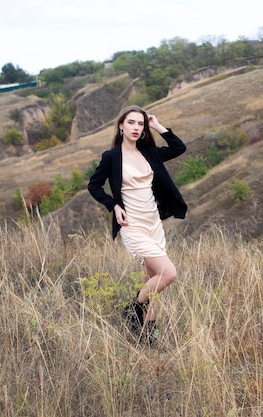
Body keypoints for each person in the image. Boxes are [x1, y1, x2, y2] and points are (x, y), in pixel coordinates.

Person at [87, 105, 187, 340]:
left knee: (150, 280)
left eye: (140, 124)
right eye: (131, 122)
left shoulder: (149, 152)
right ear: (121, 125)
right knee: (168, 274)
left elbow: (179, 148)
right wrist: (114, 205)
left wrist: (157, 125)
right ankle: (133, 310)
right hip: (132, 225)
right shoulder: (111, 157)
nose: (136, 127)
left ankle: (146, 335)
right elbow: (94, 185)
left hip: (153, 223)